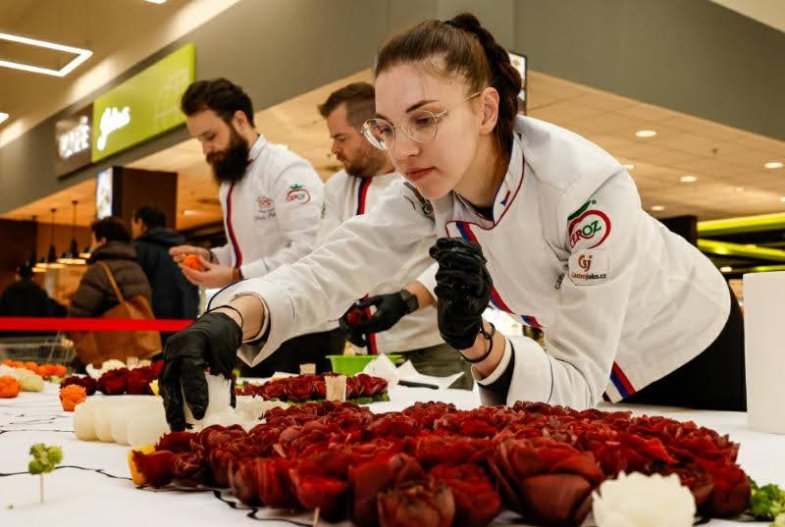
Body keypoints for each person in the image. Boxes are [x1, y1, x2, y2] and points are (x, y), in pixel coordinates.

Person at [160, 14, 744, 431]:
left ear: (486, 110)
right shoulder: (428, 191)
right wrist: (232, 316)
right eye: (388, 128)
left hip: (693, 344)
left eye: (425, 119)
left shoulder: (587, 191)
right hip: (593, 373)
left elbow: (572, 387)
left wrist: (480, 341)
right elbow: (329, 270)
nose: (404, 151)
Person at [170, 78, 345, 375]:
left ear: (239, 120)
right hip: (257, 322)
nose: (206, 150)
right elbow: (247, 249)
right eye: (199, 140)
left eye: (210, 136)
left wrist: (236, 274)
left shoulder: (286, 169)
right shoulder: (230, 183)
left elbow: (308, 250)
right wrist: (212, 257)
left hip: (304, 329)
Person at [317, 82, 470, 388]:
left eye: (341, 138)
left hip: (432, 350)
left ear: (372, 132)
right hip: (364, 359)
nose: (334, 149)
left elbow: (462, 255)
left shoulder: (429, 178)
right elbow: (326, 255)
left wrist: (406, 299)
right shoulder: (336, 187)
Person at [68, 217, 155, 366]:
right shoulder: (137, 268)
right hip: (137, 351)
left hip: (107, 354)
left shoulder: (99, 269)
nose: (92, 246)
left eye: (93, 240)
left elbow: (78, 315)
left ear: (102, 240)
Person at [132, 206, 199, 344]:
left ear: (141, 223)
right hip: (186, 318)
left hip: (155, 323)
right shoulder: (183, 248)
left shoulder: (139, 248)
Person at [0, 264, 65, 337]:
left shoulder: (8, 292)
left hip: (11, 336)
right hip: (35, 337)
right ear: (32, 277)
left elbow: (2, 313)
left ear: (18, 276)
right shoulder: (39, 292)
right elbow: (48, 316)